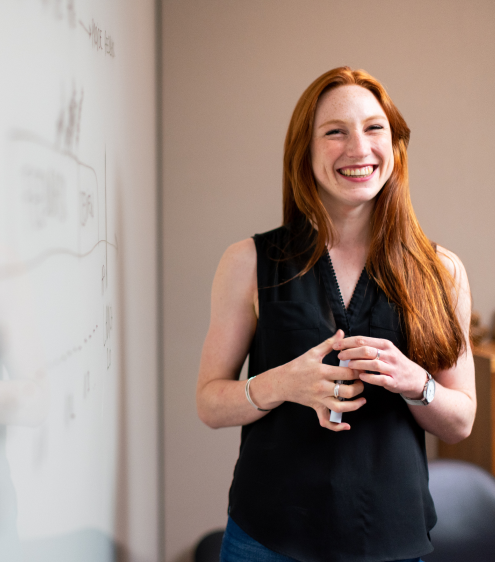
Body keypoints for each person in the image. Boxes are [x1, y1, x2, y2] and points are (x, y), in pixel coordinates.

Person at [196, 67, 475, 562]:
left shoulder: (442, 271)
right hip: (267, 540)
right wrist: (282, 384)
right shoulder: (248, 262)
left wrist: (416, 382)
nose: (358, 148)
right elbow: (209, 403)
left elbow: (461, 421)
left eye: (374, 128)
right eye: (335, 132)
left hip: (391, 540)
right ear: (304, 151)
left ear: (395, 145)